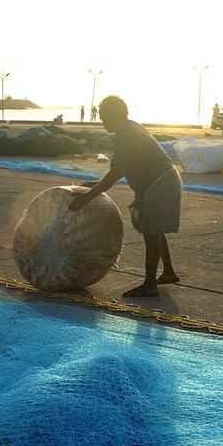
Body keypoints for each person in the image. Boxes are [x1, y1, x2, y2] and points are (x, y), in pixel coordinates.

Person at [69, 95, 180, 297]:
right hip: (166, 179)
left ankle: (149, 285)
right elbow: (121, 170)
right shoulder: (130, 128)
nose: (102, 122)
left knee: (151, 231)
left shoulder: (125, 135)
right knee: (156, 227)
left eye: (103, 117)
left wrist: (87, 197)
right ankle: (169, 272)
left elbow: (115, 173)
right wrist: (96, 185)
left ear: (113, 116)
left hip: (160, 183)